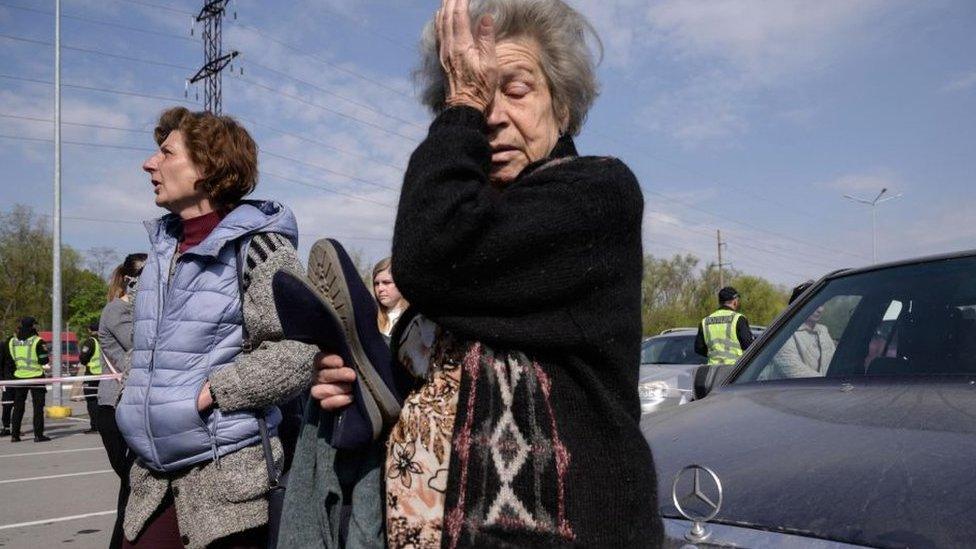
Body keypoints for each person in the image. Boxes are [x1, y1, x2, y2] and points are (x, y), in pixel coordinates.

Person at [301, 1, 662, 546]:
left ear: (561, 107)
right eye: (477, 98)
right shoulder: (473, 242)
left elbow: (428, 259)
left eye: (515, 90)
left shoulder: (597, 193)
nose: (490, 116)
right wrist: (349, 386)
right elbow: (421, 374)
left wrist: (462, 101)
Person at [114, 106, 315, 548]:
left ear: (206, 168)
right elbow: (153, 344)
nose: (149, 164)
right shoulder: (162, 251)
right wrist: (135, 384)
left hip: (226, 484)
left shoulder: (261, 247)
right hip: (149, 477)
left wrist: (216, 391)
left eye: (166, 153)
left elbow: (301, 348)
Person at [98, 252, 146, 549]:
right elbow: (140, 345)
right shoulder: (117, 311)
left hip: (133, 406)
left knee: (134, 491)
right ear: (131, 280)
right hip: (114, 407)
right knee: (132, 489)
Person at [5, 317, 51, 442]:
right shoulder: (37, 341)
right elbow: (44, 360)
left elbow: (9, 360)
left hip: (19, 376)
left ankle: (15, 435)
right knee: (38, 407)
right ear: (32, 326)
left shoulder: (12, 341)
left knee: (18, 406)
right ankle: (38, 435)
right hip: (36, 376)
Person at [762, 305, 836, 380]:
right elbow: (792, 369)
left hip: (823, 388)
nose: (820, 310)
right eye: (816, 305)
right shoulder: (784, 331)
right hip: (790, 389)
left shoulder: (823, 331)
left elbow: (834, 360)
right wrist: (828, 382)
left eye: (822, 305)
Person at [695, 286, 755, 365]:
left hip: (713, 371)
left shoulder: (705, 321)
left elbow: (699, 348)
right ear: (735, 301)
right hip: (735, 370)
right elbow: (749, 345)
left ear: (720, 302)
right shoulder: (738, 319)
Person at [372, 257, 408, 340]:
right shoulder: (370, 318)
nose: (380, 288)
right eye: (376, 283)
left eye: (386, 282)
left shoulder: (416, 320)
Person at [78, 320, 102, 434]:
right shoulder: (105, 340)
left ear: (89, 330)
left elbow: (83, 358)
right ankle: (103, 425)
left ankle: (95, 426)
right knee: (103, 401)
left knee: (92, 401)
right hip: (105, 375)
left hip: (92, 375)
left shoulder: (90, 342)